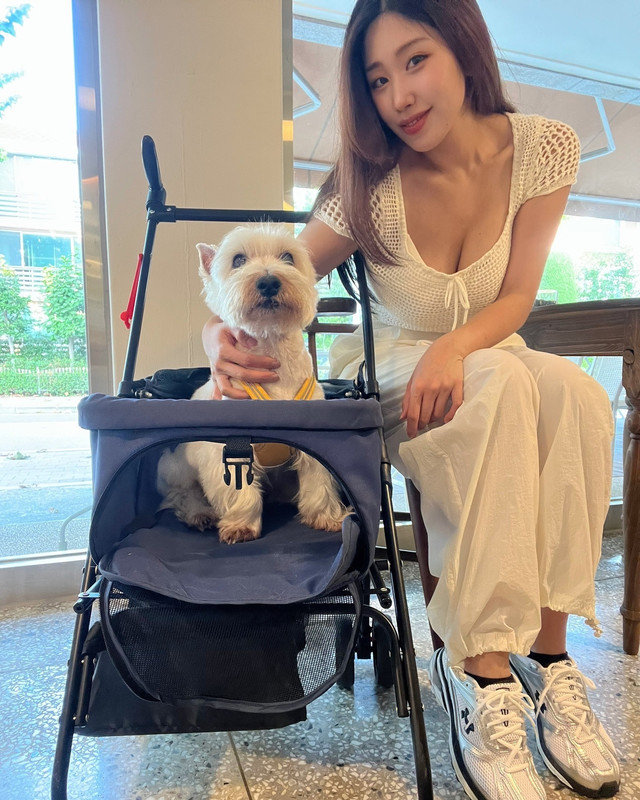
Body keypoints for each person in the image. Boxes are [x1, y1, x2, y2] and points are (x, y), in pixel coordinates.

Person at [202, 2, 621, 798]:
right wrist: (215, 337)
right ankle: (480, 676)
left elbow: (519, 295)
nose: (399, 95)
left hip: (489, 350)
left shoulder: (544, 148)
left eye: (415, 60)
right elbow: (272, 275)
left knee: (574, 392)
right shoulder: (367, 182)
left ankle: (551, 661)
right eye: (377, 78)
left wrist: (457, 347)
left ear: (463, 45)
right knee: (499, 389)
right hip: (396, 367)